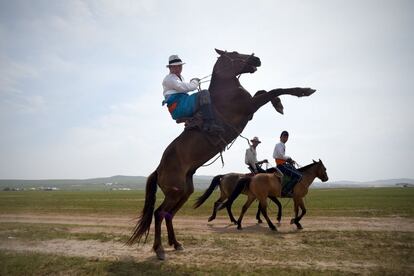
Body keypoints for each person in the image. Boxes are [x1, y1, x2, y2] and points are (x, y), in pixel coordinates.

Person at [162, 55, 223, 133]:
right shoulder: (169, 79)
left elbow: (184, 87)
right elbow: (184, 87)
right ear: (170, 68)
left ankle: (197, 121)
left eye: (179, 66)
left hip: (181, 104)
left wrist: (192, 83)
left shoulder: (179, 78)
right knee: (204, 94)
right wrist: (194, 81)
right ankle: (210, 124)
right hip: (179, 107)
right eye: (174, 67)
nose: (178, 69)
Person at [273, 131, 302, 197]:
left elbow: (282, 156)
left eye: (287, 137)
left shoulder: (282, 145)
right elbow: (280, 155)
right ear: (280, 137)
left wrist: (289, 160)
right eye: (284, 136)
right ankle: (285, 190)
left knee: (298, 173)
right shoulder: (279, 145)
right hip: (281, 165)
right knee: (298, 176)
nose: (285, 138)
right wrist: (289, 159)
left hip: (284, 164)